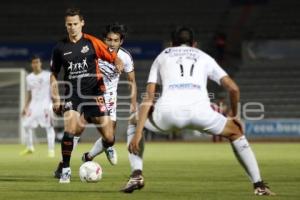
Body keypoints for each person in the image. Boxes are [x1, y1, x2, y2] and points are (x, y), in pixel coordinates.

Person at [128, 26, 275, 196]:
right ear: (194, 44)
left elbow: (149, 98)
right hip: (201, 113)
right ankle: (259, 185)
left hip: (168, 114)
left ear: (171, 44)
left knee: (134, 120)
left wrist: (138, 132)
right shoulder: (205, 57)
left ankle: (136, 175)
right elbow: (233, 89)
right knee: (235, 133)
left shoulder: (163, 56)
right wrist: (234, 115)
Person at [50, 8, 123, 183]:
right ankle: (65, 170)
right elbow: (53, 74)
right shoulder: (60, 47)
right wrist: (56, 98)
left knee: (109, 137)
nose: (72, 27)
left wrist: (118, 61)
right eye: (69, 24)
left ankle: (97, 152)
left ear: (82, 23)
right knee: (70, 129)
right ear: (65, 25)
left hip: (94, 93)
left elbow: (111, 55)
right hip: (73, 94)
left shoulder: (92, 42)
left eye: (75, 24)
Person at [81, 22, 137, 166]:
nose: (112, 43)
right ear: (104, 40)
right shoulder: (94, 51)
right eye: (109, 40)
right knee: (77, 126)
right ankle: (64, 165)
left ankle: (89, 156)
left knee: (110, 136)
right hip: (92, 94)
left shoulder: (125, 57)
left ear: (121, 41)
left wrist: (133, 105)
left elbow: (132, 81)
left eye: (116, 40)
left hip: (110, 96)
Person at [20, 55, 56, 158]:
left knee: (49, 127)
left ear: (40, 63)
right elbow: (30, 94)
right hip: (33, 106)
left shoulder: (48, 75)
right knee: (26, 125)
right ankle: (30, 147)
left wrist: (55, 104)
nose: (36, 64)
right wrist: (25, 107)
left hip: (45, 104)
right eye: (34, 62)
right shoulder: (29, 78)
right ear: (31, 64)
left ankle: (51, 150)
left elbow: (53, 90)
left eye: (37, 62)